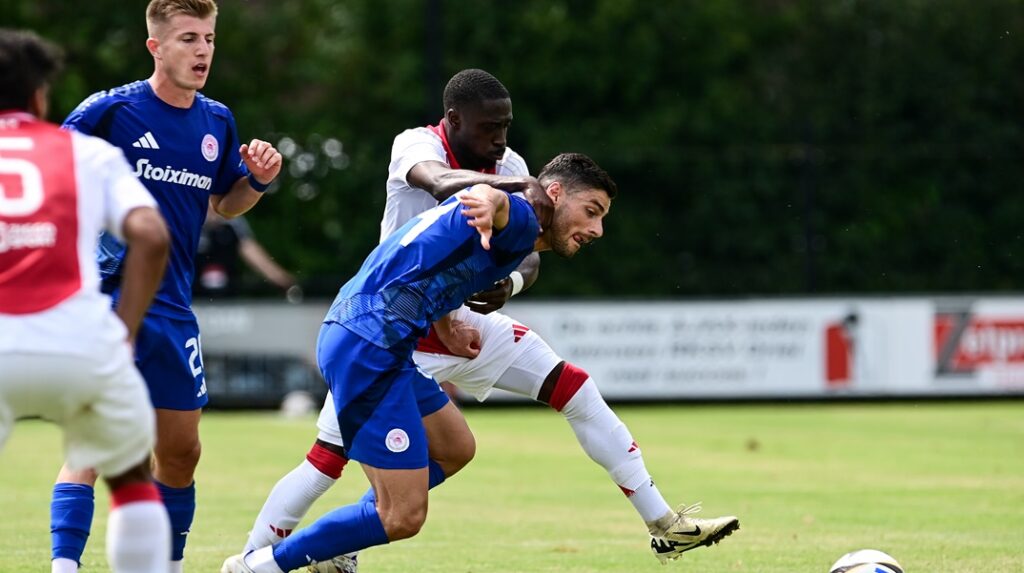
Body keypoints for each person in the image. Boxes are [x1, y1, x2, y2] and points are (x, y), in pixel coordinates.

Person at [238, 70, 739, 570]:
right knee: (343, 474)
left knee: (465, 443)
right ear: (454, 121)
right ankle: (253, 563)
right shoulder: (428, 150)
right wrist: (501, 195)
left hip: (413, 325)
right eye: (591, 212)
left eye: (506, 127)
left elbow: (527, 252)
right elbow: (462, 192)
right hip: (379, 333)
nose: (500, 140)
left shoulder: (516, 175)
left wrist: (505, 283)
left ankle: (663, 522)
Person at [221, 152, 615, 573]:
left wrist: (447, 327)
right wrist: (486, 197)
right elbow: (495, 202)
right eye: (591, 212)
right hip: (368, 345)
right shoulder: (521, 218)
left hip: (374, 340)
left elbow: (438, 264)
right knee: (402, 517)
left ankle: (335, 543)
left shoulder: (516, 218)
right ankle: (257, 567)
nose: (597, 229)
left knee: (454, 448)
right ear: (554, 194)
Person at [48, 2, 283, 572]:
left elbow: (223, 204)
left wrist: (257, 179)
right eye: (187, 38)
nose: (202, 50)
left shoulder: (216, 121)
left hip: (174, 309)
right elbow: (49, 175)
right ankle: (64, 565)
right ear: (155, 46)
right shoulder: (109, 111)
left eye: (208, 38)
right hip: (108, 302)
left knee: (180, 452)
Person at [0, 29, 172, 573]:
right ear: (39, 97)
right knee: (128, 475)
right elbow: (151, 235)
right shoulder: (87, 152)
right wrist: (122, 329)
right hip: (79, 340)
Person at [194, 204, 302, 302]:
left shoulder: (233, 222)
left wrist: (284, 281)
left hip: (227, 297)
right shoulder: (188, 220)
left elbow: (253, 253)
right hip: (189, 296)